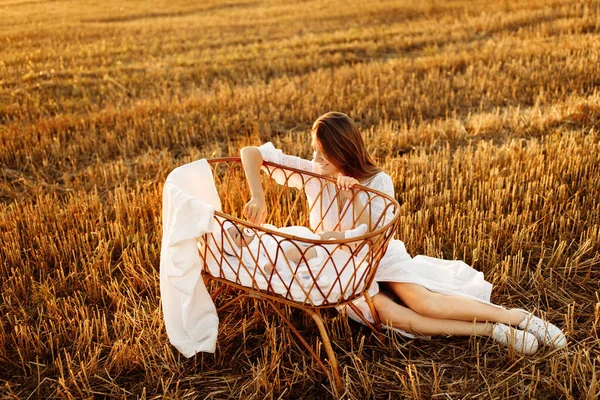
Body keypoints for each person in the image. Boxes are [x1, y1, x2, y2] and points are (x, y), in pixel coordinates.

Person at [240, 111, 567, 355]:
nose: (315, 159)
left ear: (343, 152)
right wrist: (258, 195)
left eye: (323, 154)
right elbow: (251, 152)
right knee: (391, 315)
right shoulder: (313, 174)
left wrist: (353, 196)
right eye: (314, 151)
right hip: (338, 265)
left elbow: (377, 236)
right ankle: (491, 331)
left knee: (423, 303)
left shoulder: (377, 181)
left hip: (377, 257)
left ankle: (517, 317)